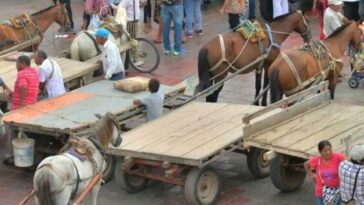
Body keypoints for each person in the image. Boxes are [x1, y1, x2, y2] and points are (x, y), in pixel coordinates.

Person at [304, 140, 345, 205]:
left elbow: (347, 164)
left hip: (336, 191)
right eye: (325, 151)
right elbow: (306, 164)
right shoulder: (317, 160)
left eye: (329, 150)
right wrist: (311, 175)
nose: (328, 152)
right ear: (320, 152)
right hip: (321, 191)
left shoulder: (338, 157)